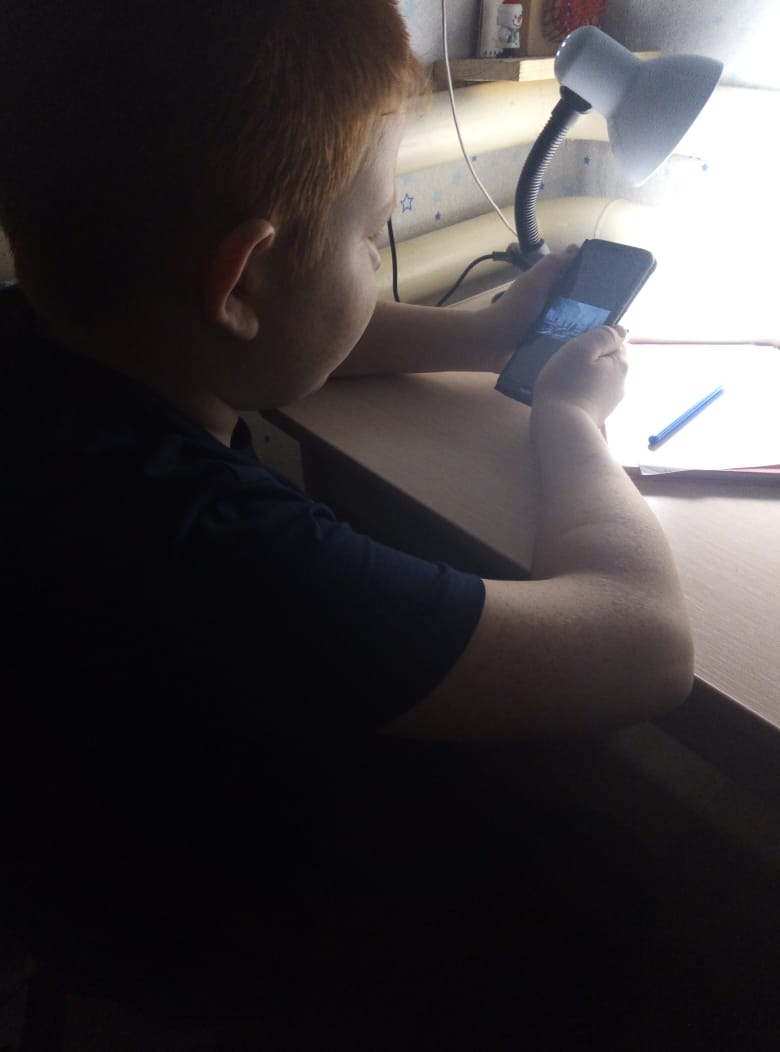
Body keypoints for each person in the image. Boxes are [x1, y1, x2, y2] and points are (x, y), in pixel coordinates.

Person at [0, 1, 693, 1046]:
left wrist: (482, 337)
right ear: (240, 280)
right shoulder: (220, 549)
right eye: (373, 235)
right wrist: (571, 423)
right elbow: (646, 646)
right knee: (602, 874)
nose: (375, 257)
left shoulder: (51, 332)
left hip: (71, 842)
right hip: (199, 917)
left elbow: (267, 320)